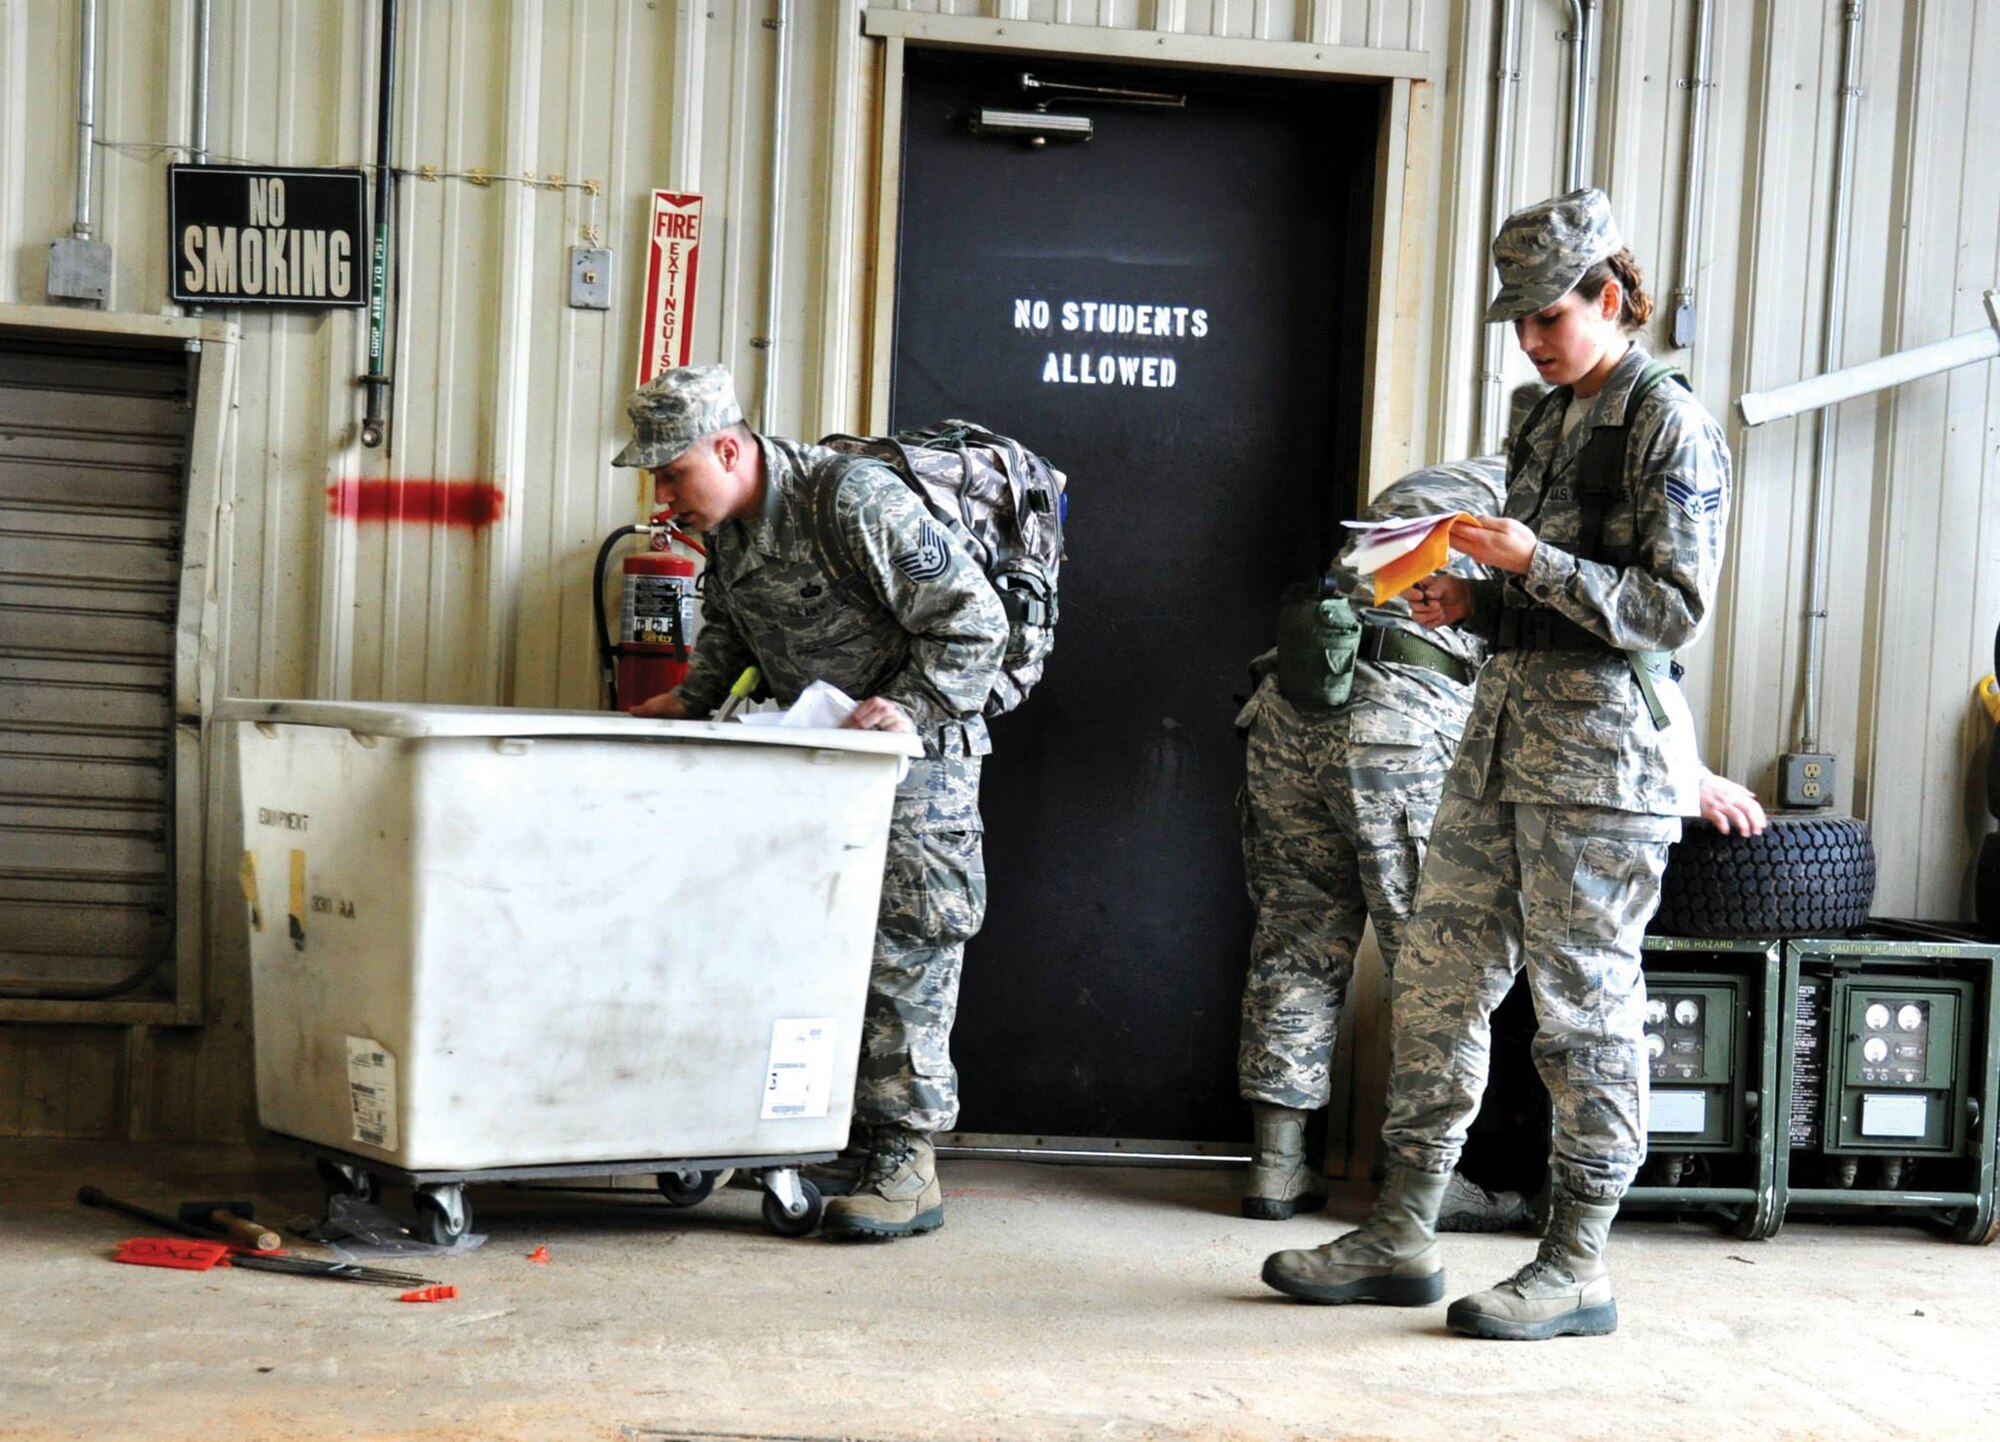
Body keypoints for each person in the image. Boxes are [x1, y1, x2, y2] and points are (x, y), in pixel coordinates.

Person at [1260, 188, 1734, 1340]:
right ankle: (1399, 1231)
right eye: (1515, 319)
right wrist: (1467, 599)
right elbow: (1529, 596)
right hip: (1495, 737)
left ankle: (1574, 1262)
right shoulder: (1537, 417)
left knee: (1580, 1012)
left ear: (1609, 298)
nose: (1527, 338)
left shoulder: (1665, 421)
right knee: (1433, 979)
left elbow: (1672, 610)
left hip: (1596, 766)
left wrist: (1537, 559)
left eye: (1547, 315)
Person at [1236, 429, 1764, 1230]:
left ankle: (1276, 1168)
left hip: (1292, 704)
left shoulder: (1435, 483)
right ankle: (1432, 1182)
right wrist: (1686, 774)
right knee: (1438, 961)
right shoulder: (1557, 512)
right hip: (1400, 723)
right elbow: (1612, 649)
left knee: (1296, 932)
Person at [612, 365, 1007, 1242]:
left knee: (910, 945)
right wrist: (677, 706)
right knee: (817, 944)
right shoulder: (731, 534)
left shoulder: (850, 501)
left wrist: (913, 701)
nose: (664, 493)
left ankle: (907, 1161)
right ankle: (843, 1132)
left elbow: (976, 620)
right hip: (820, 761)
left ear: (727, 446)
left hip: (918, 761)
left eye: (672, 472)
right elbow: (729, 635)